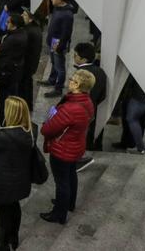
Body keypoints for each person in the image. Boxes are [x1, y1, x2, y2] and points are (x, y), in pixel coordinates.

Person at [39, 69, 96, 225]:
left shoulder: (70, 108)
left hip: (62, 149)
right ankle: (69, 203)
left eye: (72, 79)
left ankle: (59, 214)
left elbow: (47, 130)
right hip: (75, 146)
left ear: (77, 84)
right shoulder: (87, 102)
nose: (69, 80)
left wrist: (47, 122)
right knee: (71, 175)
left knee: (62, 182)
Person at [0, 96, 37, 251]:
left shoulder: (5, 136)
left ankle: (2, 244)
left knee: (3, 213)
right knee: (14, 207)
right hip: (21, 179)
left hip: (4, 180)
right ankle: (14, 238)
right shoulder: (32, 129)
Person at [72, 42, 106, 172]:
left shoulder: (80, 74)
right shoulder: (100, 72)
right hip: (95, 108)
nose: (74, 58)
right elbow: (103, 94)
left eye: (76, 55)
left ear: (83, 59)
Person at [0, 13, 33, 124]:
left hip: (7, 72)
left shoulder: (13, 39)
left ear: (14, 25)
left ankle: (3, 121)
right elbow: (0, 39)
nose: (6, 24)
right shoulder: (21, 33)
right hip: (15, 70)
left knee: (5, 99)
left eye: (8, 22)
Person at [43, 0, 75, 98]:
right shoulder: (58, 9)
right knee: (53, 62)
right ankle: (52, 80)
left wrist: (60, 46)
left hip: (58, 42)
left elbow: (66, 33)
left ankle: (58, 88)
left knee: (59, 66)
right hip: (53, 41)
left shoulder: (67, 14)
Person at [124, 74, 145, 154]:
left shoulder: (141, 64)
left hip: (139, 97)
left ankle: (140, 149)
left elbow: (130, 82)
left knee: (131, 119)